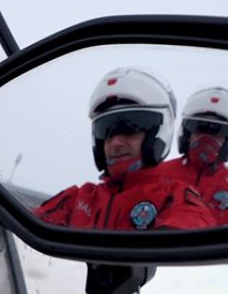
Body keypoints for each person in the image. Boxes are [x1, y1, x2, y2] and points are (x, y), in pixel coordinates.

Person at [35, 68, 215, 231]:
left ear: (156, 135)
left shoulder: (175, 197)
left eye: (129, 130)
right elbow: (30, 233)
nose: (115, 143)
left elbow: (192, 225)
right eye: (106, 132)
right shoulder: (77, 199)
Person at [160, 87, 228, 225]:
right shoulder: (157, 175)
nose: (206, 139)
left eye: (219, 132)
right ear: (187, 134)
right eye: (199, 128)